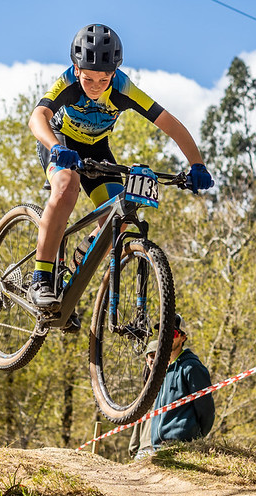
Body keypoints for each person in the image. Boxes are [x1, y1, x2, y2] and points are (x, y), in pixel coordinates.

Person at [27, 23, 214, 310]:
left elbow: (171, 125)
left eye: (103, 80)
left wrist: (197, 164)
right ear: (76, 69)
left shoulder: (124, 88)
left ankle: (72, 277)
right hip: (60, 140)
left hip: (96, 148)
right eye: (88, 79)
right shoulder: (67, 83)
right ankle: (40, 278)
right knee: (66, 186)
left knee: (120, 215)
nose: (95, 87)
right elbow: (37, 117)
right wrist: (56, 148)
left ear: (113, 73)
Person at [151, 314, 215, 448]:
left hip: (183, 445)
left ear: (183, 337)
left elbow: (206, 408)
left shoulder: (192, 367)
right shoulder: (161, 369)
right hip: (158, 447)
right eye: (162, 332)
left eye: (172, 333)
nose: (166, 337)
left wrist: (196, 436)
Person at [129, 340, 159, 460]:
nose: (154, 359)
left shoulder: (171, 382)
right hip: (143, 447)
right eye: (152, 356)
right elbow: (139, 419)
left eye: (158, 355)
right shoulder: (145, 388)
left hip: (161, 445)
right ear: (146, 360)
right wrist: (134, 447)